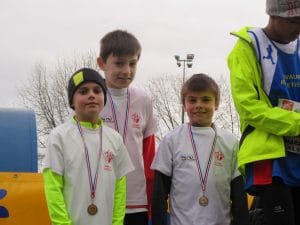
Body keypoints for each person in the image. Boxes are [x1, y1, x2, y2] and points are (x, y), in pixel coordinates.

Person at [227, 0, 300, 224]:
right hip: (269, 158)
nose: (298, 28)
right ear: (273, 15)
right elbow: (248, 107)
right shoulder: (248, 46)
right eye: (294, 21)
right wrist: (297, 123)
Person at [151, 73, 250, 225]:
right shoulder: (171, 140)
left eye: (206, 99)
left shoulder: (230, 142)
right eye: (192, 100)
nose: (199, 105)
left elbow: (238, 195)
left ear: (216, 103)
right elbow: (159, 193)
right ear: (184, 105)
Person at [43, 68, 134, 225]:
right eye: (83, 91)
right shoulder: (59, 136)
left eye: (97, 90)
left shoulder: (115, 139)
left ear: (104, 97)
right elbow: (52, 188)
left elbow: (120, 190)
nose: (91, 95)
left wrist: (117, 222)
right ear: (72, 100)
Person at [97, 30, 157, 225]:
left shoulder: (144, 100)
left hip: (136, 199)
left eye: (132, 63)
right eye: (119, 63)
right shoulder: (90, 98)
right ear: (101, 63)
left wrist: (150, 198)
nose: (127, 71)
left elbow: (148, 154)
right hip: (97, 196)